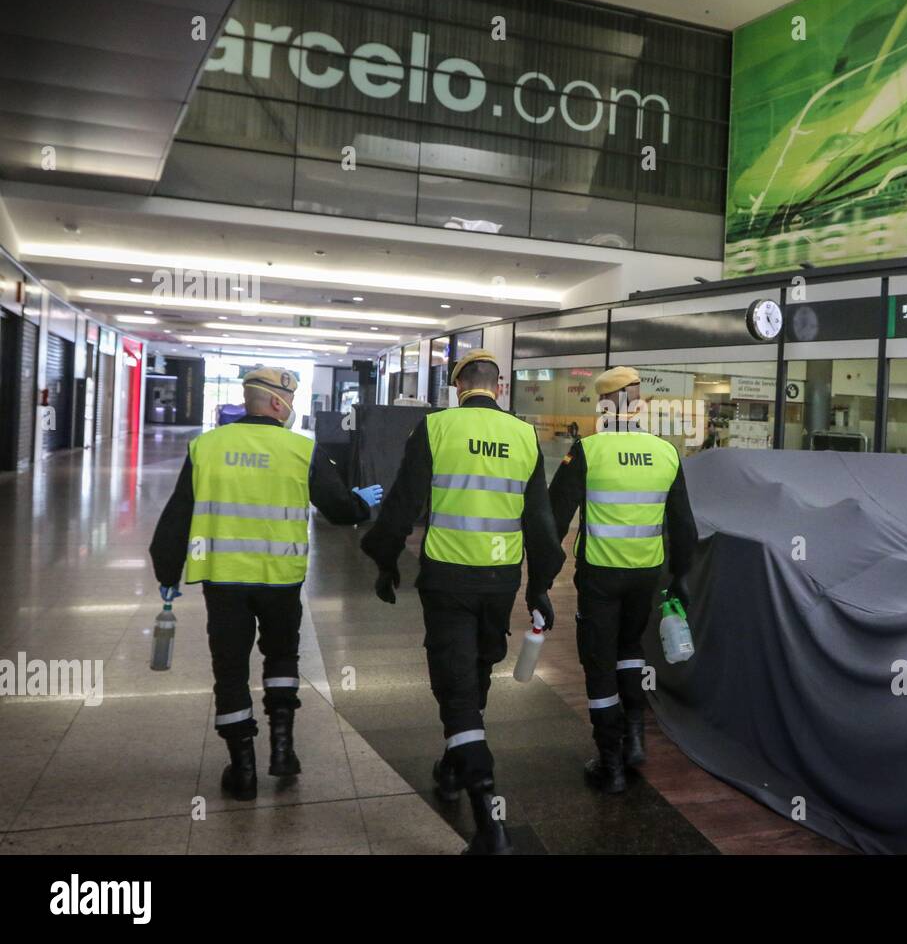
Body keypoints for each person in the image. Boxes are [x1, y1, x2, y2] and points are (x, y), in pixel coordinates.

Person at [361, 349, 563, 855]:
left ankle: (489, 821)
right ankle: (453, 767)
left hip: (448, 579)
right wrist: (540, 585)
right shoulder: (524, 436)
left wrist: (385, 559)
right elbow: (540, 522)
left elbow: (403, 502)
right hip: (501, 581)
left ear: (457, 387)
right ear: (499, 388)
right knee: (472, 677)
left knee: (455, 690)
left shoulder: (437, 428)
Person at [150, 367, 382, 801]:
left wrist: (167, 572)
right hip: (280, 580)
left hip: (223, 579)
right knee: (281, 657)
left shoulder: (206, 447)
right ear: (278, 403)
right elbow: (339, 510)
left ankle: (242, 771)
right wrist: (359, 502)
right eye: (290, 401)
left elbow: (178, 513)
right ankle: (282, 750)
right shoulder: (300, 450)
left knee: (230, 667)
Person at [549, 366, 697, 794]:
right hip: (646, 575)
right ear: (639, 405)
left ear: (603, 405)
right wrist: (682, 577)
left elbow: (554, 519)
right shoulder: (667, 453)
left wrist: (540, 576)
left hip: (600, 575)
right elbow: (684, 526)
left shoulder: (587, 451)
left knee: (599, 663)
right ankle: (634, 741)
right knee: (631, 651)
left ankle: (610, 763)